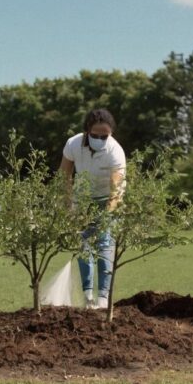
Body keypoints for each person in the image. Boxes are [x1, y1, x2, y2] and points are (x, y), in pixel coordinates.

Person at [59, 109, 126, 309]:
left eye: (104, 136)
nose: (99, 139)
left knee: (105, 243)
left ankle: (103, 299)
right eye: (94, 135)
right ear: (87, 131)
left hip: (108, 197)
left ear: (110, 133)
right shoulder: (73, 144)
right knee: (83, 245)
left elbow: (116, 190)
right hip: (83, 198)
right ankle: (88, 297)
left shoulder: (115, 151)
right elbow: (64, 175)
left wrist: (107, 214)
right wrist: (68, 204)